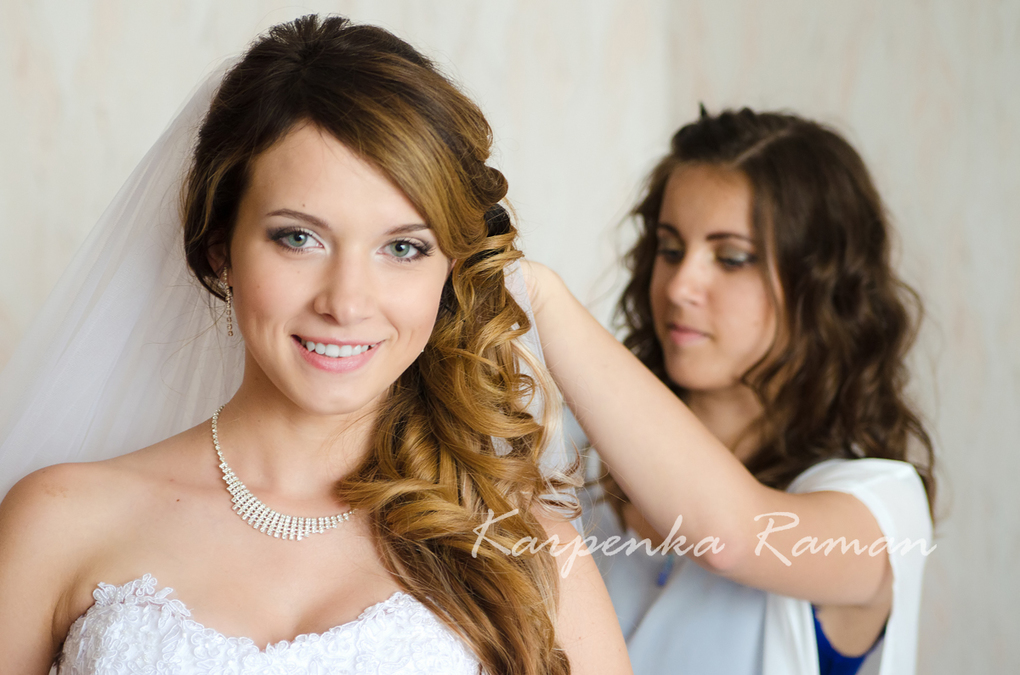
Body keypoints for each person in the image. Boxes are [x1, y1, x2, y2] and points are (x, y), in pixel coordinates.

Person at [0, 15, 631, 675]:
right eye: (299, 238)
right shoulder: (58, 522)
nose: (347, 302)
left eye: (403, 248)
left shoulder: (528, 554)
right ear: (220, 247)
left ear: (450, 269)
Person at [522, 108, 935, 674]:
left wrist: (538, 296)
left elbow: (728, 537)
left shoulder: (882, 510)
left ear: (822, 286)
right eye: (670, 249)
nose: (680, 286)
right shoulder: (566, 453)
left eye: (731, 258)